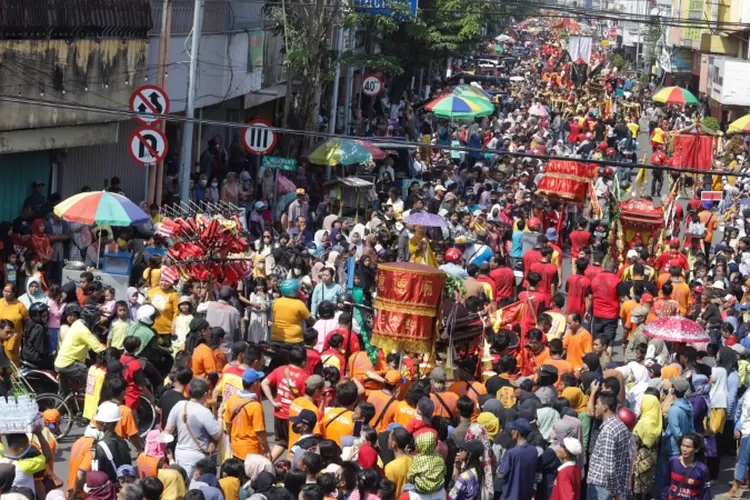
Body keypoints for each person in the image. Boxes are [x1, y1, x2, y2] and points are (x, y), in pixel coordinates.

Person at [163, 377, 223, 478]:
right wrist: (220, 418)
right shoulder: (205, 412)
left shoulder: (179, 405)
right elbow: (217, 435)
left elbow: (168, 431)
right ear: (205, 394)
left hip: (180, 454)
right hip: (197, 458)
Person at [261, 345, 309, 460]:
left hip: (279, 414)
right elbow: (307, 400)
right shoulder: (304, 376)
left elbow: (264, 383)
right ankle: (288, 472)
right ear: (303, 362)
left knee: (280, 443)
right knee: (294, 447)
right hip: (294, 418)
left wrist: (272, 401)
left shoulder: (281, 369)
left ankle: (266, 467)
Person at [587, 390, 633, 500]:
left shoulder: (608, 430)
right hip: (612, 487)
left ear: (604, 407)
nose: (595, 407)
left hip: (602, 487)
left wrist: (614, 490)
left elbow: (609, 467)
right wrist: (621, 488)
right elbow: (627, 461)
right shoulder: (621, 426)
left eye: (597, 404)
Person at [54, 305, 105, 395]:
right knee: (91, 376)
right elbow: (98, 348)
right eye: (96, 319)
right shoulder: (83, 330)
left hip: (61, 363)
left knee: (64, 393)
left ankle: (61, 407)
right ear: (90, 318)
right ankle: (86, 397)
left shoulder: (77, 323)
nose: (97, 321)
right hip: (69, 363)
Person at [223, 368, 270, 461]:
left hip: (235, 448)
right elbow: (259, 432)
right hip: (251, 451)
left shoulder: (232, 399)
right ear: (255, 384)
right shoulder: (255, 406)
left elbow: (227, 424)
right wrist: (267, 449)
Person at [91, 401, 133, 482]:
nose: (96, 423)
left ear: (107, 424)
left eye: (98, 421)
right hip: (123, 486)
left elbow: (95, 472)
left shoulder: (99, 447)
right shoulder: (124, 442)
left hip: (109, 489)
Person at [663, 433, 711, 499]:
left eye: (688, 447)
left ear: (696, 449)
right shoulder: (673, 461)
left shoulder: (702, 469)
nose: (684, 449)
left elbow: (706, 493)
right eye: (683, 445)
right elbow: (666, 484)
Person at [498, 418, 537, 500]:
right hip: (526, 495)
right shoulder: (534, 451)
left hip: (511, 495)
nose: (511, 431)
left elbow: (501, 474)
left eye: (513, 430)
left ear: (517, 433)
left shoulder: (512, 453)